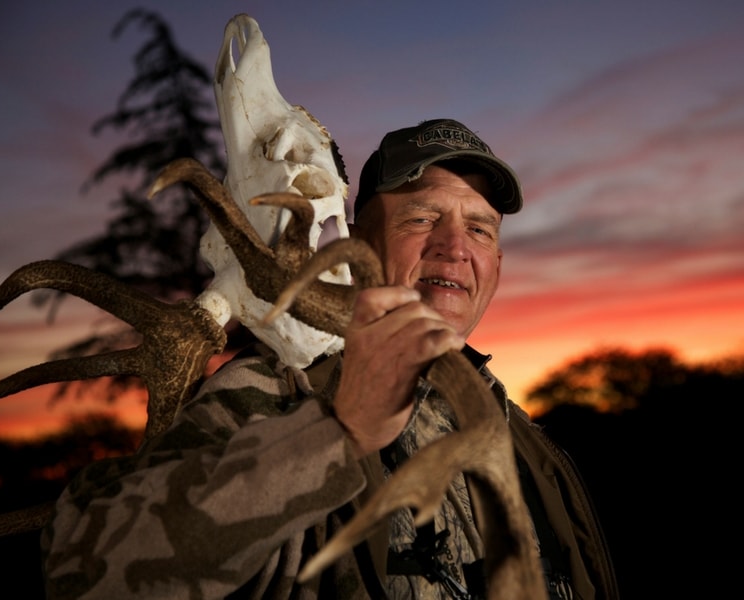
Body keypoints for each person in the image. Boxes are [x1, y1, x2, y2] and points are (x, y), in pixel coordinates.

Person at [42, 118, 619, 599]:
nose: (455, 248)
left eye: (480, 229)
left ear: (497, 265)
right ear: (356, 243)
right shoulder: (281, 395)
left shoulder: (525, 439)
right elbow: (86, 568)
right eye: (421, 218)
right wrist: (336, 433)